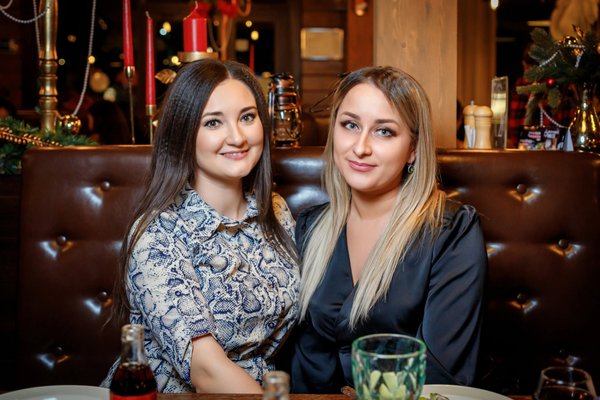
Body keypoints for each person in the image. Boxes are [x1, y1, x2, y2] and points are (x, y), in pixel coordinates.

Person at [103, 59, 299, 393]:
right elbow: (206, 370)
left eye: (247, 117)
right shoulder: (158, 232)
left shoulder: (276, 211)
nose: (237, 137)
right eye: (213, 122)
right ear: (183, 134)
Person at [287, 66, 487, 393]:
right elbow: (301, 357)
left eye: (384, 132)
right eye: (350, 125)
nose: (360, 147)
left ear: (413, 149)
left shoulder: (451, 232)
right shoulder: (310, 226)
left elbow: (444, 372)